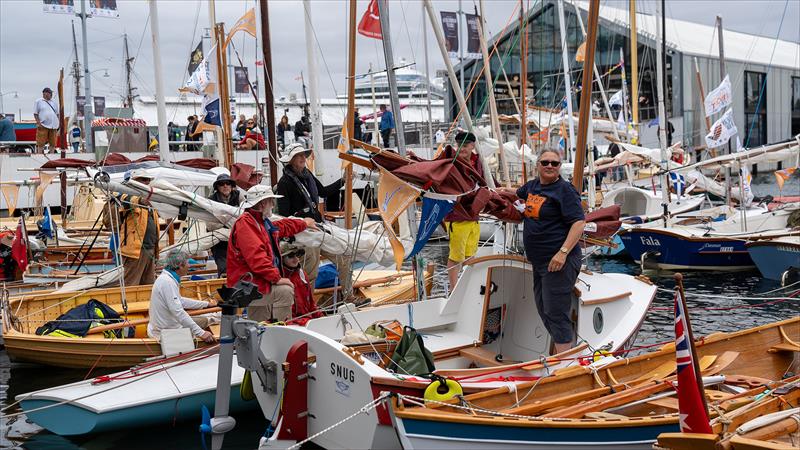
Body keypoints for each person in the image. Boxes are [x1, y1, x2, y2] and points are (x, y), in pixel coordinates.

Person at [514, 149, 585, 355]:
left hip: (559, 263)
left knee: (556, 312)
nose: (550, 166)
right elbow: (515, 195)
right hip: (540, 262)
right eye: (545, 162)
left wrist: (562, 253)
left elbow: (579, 223)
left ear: (559, 167)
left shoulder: (564, 190)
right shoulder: (533, 186)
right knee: (543, 309)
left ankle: (564, 365)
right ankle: (560, 354)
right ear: (538, 164)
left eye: (555, 163)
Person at [226, 185, 318, 323]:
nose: (273, 204)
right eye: (271, 201)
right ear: (263, 203)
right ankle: (282, 330)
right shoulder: (246, 224)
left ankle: (261, 338)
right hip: (247, 287)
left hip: (255, 283)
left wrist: (303, 223)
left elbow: (281, 227)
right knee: (285, 291)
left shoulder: (259, 222)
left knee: (259, 323)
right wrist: (277, 278)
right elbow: (257, 257)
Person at [276, 143, 343, 286]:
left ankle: (348, 294)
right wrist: (301, 219)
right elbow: (284, 215)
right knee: (311, 268)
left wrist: (344, 181)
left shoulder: (308, 175)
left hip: (318, 226)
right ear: (291, 160)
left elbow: (323, 192)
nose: (302, 158)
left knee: (343, 255)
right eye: (298, 155)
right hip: (303, 232)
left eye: (303, 155)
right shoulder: (284, 183)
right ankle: (308, 305)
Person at [443, 131, 488, 290]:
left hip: (474, 216)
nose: (462, 148)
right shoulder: (450, 162)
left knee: (470, 256)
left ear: (472, 146)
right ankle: (454, 290)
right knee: (455, 257)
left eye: (466, 145)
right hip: (457, 215)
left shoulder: (478, 163)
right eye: (459, 144)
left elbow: (486, 181)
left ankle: (469, 288)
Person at [147, 249, 216, 343]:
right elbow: (178, 312)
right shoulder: (167, 282)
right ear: (180, 265)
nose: (189, 266)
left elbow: (180, 301)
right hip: (167, 330)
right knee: (208, 320)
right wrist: (201, 333)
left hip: (167, 324)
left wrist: (206, 304)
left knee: (204, 320)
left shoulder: (166, 278)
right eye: (187, 263)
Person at [106, 170, 161, 287]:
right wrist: (141, 201)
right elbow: (124, 200)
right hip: (134, 251)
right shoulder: (124, 194)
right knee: (131, 284)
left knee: (149, 284)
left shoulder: (150, 200)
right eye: (143, 179)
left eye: (148, 180)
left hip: (150, 249)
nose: (147, 182)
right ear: (134, 181)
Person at [280, 242, 324, 326]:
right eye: (291, 256)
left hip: (306, 321)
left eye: (298, 255)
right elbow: (282, 317)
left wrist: (320, 317)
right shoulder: (279, 278)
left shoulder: (302, 274)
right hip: (292, 325)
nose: (296, 259)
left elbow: (311, 304)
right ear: (281, 258)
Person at [208, 174, 241, 276]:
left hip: (238, 240)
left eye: (228, 183)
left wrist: (222, 219)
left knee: (240, 269)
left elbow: (245, 216)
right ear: (217, 187)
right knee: (224, 271)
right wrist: (231, 221)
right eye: (222, 184)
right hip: (219, 241)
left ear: (232, 186)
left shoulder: (239, 196)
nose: (225, 186)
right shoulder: (211, 200)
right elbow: (210, 225)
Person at [33, 87, 60, 153]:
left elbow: (57, 114)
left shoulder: (54, 102)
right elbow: (35, 113)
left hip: (53, 125)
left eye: (51, 93)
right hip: (43, 124)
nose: (51, 95)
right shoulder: (38, 101)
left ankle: (52, 154)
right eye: (50, 93)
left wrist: (58, 123)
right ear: (45, 93)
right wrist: (38, 123)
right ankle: (39, 154)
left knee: (53, 142)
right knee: (40, 142)